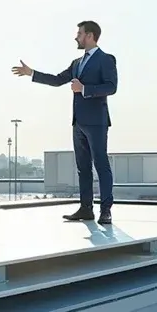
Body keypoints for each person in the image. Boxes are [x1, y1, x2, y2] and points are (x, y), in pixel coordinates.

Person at [12, 20, 117, 224]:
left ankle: (106, 210)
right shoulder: (77, 63)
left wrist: (84, 89)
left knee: (101, 165)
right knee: (83, 168)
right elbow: (57, 80)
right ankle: (86, 208)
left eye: (79, 33)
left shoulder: (106, 59)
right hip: (78, 123)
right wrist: (31, 73)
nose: (76, 37)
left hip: (97, 122)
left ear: (90, 35)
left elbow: (111, 87)